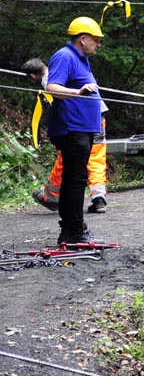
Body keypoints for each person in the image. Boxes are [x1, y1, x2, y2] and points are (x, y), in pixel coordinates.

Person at [44, 16, 106, 244]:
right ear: (83, 38)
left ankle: (72, 230)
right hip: (72, 128)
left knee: (75, 179)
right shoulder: (65, 56)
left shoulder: (82, 59)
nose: (98, 44)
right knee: (75, 180)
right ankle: (74, 231)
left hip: (84, 128)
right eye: (96, 40)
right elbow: (52, 88)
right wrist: (79, 92)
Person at [21, 58, 109, 214]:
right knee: (96, 157)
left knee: (69, 157)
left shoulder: (49, 80)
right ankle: (98, 197)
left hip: (81, 123)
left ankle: (53, 197)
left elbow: (62, 105)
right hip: (98, 116)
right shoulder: (68, 69)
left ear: (33, 76)